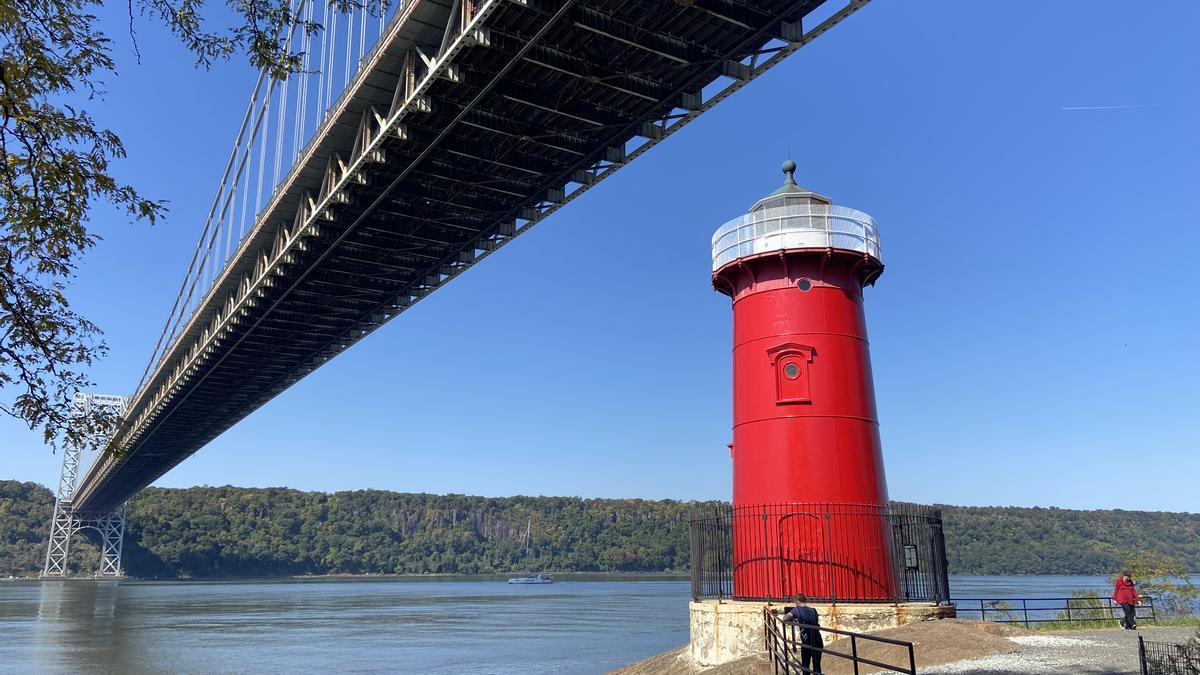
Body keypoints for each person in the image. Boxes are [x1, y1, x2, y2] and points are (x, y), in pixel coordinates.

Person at [784, 595, 823, 674]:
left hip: (807, 641)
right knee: (817, 665)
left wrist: (794, 619)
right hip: (818, 639)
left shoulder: (796, 610)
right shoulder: (814, 610)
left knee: (805, 665)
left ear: (797, 602)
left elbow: (785, 618)